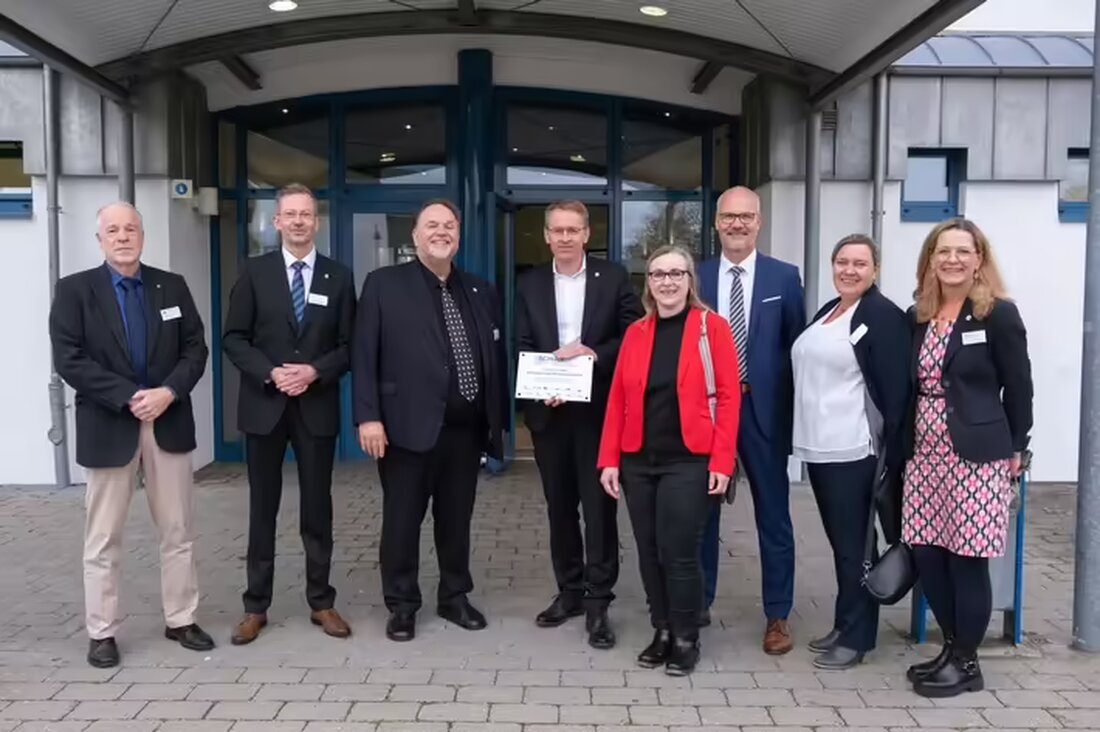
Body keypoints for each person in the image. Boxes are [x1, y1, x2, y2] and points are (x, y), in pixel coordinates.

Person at [49, 201, 213, 668]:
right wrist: (127, 395)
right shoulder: (75, 290)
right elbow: (69, 358)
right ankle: (102, 630)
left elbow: (194, 349)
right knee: (102, 537)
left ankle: (181, 618)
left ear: (143, 235)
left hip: (168, 422)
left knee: (178, 531)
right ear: (99, 239)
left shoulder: (171, 286)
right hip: (111, 424)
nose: (123, 237)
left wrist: (168, 392)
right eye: (113, 230)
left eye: (131, 229)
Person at [353, 198, 508, 642]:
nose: (442, 232)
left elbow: (491, 356)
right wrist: (368, 417)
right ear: (416, 235)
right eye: (432, 225)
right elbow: (364, 354)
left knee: (456, 520)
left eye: (450, 226)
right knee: (402, 521)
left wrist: (495, 421)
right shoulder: (384, 284)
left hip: (465, 431)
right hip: (405, 429)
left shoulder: (480, 289)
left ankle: (454, 596)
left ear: (459, 235)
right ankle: (402, 605)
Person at [902, 217, 1032, 697]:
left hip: (977, 455)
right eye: (943, 251)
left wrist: (1019, 445)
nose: (952, 260)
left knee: (967, 556)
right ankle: (954, 646)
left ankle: (967, 663)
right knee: (928, 554)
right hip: (925, 455)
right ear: (930, 260)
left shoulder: (997, 314)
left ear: (979, 259)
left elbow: (1019, 386)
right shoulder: (918, 315)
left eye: (962, 251)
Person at [222, 183, 356, 645]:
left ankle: (321, 602)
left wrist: (314, 371)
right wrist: (272, 373)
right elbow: (234, 338)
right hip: (265, 408)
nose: (299, 221)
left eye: (306, 214)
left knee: (318, 511)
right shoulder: (254, 272)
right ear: (277, 222)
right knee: (263, 510)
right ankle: (255, 606)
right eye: (290, 215)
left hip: (315, 408)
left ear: (315, 222)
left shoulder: (338, 277)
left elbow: (349, 346)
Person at [598, 244, 740, 676]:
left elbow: (731, 398)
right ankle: (661, 629)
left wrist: (722, 462)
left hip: (690, 460)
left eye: (676, 273)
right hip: (639, 459)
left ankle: (685, 636)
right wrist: (609, 459)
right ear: (649, 283)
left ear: (690, 280)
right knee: (648, 549)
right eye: (659, 274)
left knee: (679, 551)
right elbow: (618, 398)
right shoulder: (637, 332)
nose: (667, 281)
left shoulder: (711, 327)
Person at [516, 200, 642, 649]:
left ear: (587, 234)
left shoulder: (613, 277)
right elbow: (524, 342)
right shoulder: (529, 282)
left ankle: (598, 601)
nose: (565, 237)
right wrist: (542, 382)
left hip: (598, 414)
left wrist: (592, 355)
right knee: (559, 507)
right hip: (550, 413)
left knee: (599, 509)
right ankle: (568, 591)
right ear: (546, 235)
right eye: (557, 230)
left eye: (574, 229)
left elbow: (630, 334)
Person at [791, 234, 910, 670]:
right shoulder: (832, 310)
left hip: (854, 449)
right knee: (842, 545)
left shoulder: (883, 316)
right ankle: (846, 623)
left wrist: (889, 459)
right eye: (842, 262)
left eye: (860, 263)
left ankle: (858, 639)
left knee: (856, 547)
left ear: (875, 269)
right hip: (820, 448)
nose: (849, 270)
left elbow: (896, 396)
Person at [698, 185, 805, 654]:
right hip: (708, 412)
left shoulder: (784, 278)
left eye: (746, 216)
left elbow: (796, 348)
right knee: (701, 514)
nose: (737, 224)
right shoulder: (696, 276)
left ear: (759, 222)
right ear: (716, 223)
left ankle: (778, 614)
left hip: (763, 414)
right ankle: (697, 603)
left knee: (774, 517)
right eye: (728, 217)